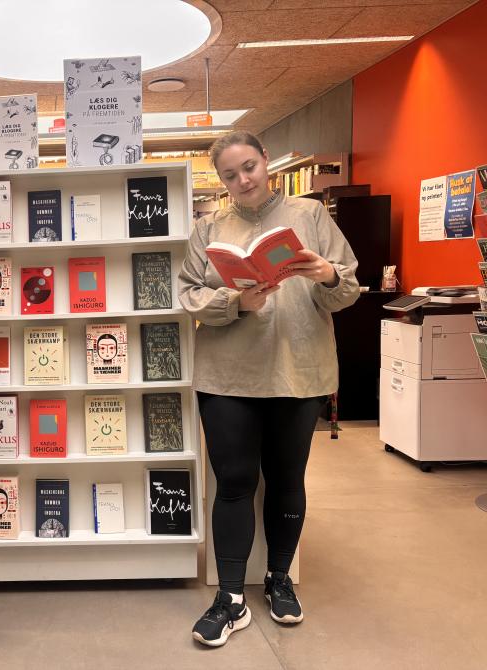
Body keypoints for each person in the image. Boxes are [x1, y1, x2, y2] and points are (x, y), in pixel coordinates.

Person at [177, 131, 359, 647]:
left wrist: (327, 275)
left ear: (266, 164)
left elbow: (346, 290)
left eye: (249, 167)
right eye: (230, 174)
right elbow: (189, 292)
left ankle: (280, 579)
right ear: (221, 180)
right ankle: (230, 596)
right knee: (232, 480)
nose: (243, 180)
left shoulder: (311, 216)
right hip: (227, 376)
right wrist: (236, 303)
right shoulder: (209, 228)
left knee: (286, 477)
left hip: (298, 371)